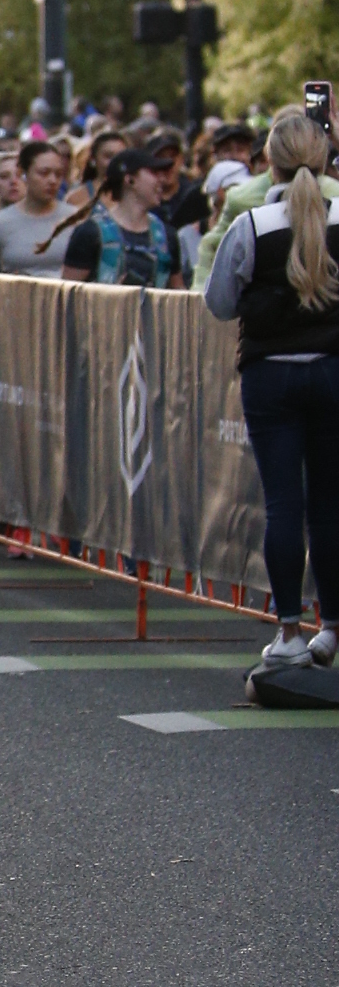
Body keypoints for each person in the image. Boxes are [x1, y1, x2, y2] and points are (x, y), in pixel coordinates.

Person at [206, 104, 339, 670]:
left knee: (284, 504)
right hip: (333, 371)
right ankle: (331, 628)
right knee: (330, 506)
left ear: (269, 163)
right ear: (326, 158)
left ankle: (288, 632)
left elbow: (219, 303)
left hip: (271, 375)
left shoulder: (251, 225)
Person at [63, 150, 179, 288]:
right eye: (154, 173)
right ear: (130, 180)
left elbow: (178, 291)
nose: (162, 180)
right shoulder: (90, 233)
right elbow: (68, 292)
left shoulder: (166, 237)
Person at [0, 138, 75, 276]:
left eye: (58, 174)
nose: (52, 180)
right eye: (44, 173)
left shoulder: (76, 220)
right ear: (24, 174)